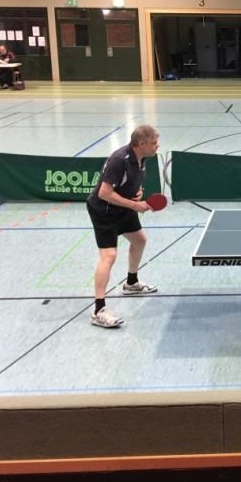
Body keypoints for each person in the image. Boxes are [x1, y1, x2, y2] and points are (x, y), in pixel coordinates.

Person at [85, 125, 161, 329]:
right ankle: (98, 310)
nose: (157, 146)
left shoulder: (142, 158)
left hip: (122, 207)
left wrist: (138, 192)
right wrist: (135, 205)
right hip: (104, 211)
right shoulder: (119, 160)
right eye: (154, 143)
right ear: (141, 143)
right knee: (109, 255)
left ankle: (131, 283)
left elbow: (131, 182)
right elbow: (104, 193)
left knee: (139, 240)